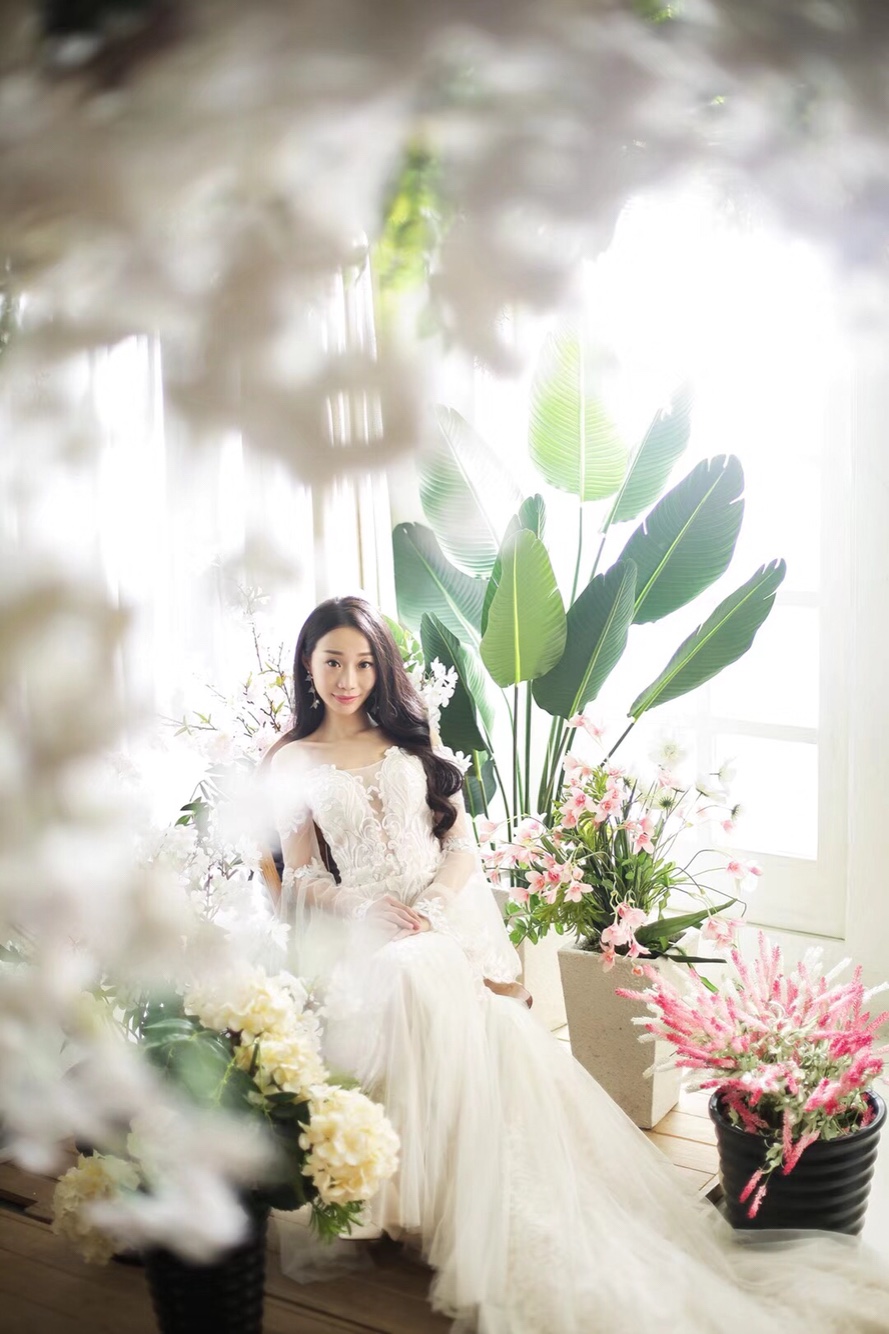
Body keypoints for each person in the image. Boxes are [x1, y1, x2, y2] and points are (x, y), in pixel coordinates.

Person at [263, 594, 889, 1334]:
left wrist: (432, 904)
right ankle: (415, 1198)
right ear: (308, 665)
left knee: (424, 969)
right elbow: (302, 876)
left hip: (443, 918)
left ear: (381, 668)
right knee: (406, 972)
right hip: (366, 932)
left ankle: (453, 1196)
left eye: (364, 663)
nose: (348, 679)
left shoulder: (409, 734)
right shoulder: (292, 761)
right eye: (333, 661)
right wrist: (361, 908)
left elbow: (460, 845)